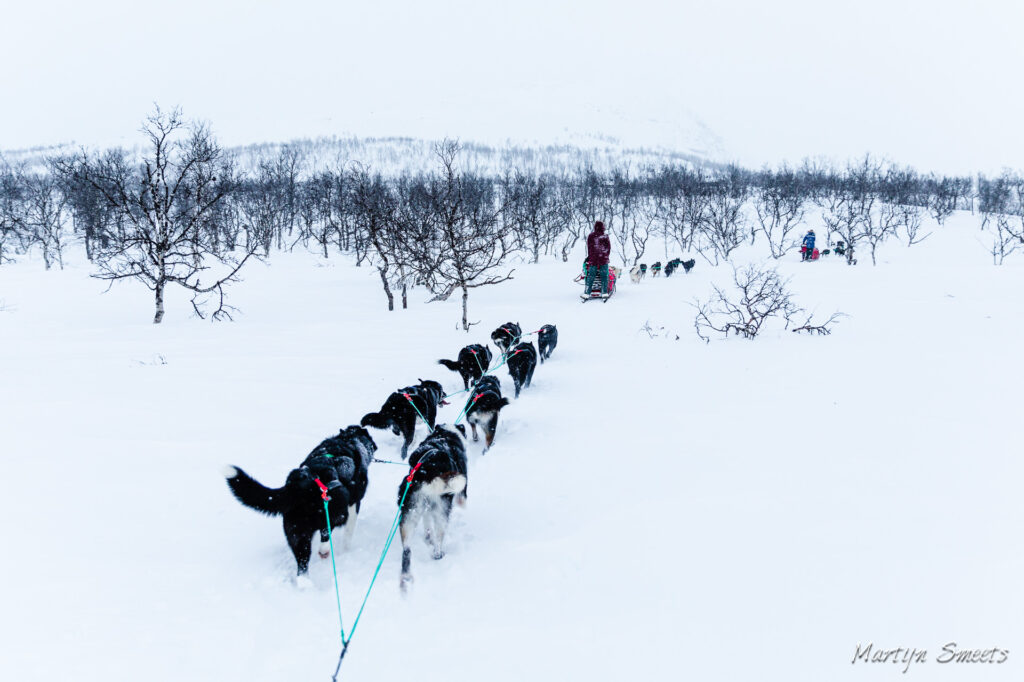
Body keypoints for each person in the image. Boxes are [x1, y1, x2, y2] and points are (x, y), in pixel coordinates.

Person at [584, 220, 611, 295]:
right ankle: (604, 292)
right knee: (604, 276)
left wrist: (591, 257)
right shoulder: (605, 236)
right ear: (603, 227)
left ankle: (587, 292)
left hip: (593, 260)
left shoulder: (591, 236)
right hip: (603, 259)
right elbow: (608, 248)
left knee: (591, 276)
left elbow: (589, 248)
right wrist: (605, 256)